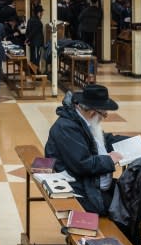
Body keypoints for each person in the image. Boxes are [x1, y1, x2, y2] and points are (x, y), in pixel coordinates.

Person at [44, 84, 127, 216]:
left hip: (89, 185)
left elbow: (104, 140)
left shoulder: (83, 120)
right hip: (80, 191)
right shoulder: (67, 127)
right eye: (104, 114)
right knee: (127, 208)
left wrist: (133, 142)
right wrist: (109, 160)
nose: (104, 117)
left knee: (132, 196)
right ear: (93, 112)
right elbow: (82, 164)